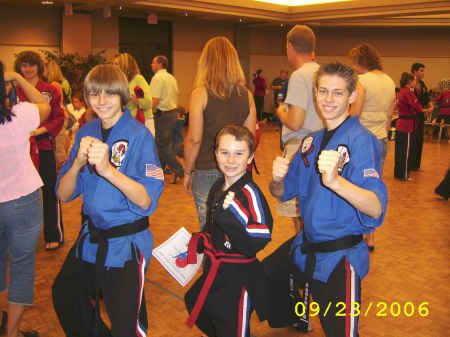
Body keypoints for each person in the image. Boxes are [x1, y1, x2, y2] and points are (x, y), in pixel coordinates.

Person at [269, 62, 388, 337]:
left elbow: (375, 207)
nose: (329, 99)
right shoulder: (310, 141)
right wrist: (276, 179)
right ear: (315, 93)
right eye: (323, 91)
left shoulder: (362, 141)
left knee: (341, 332)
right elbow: (282, 191)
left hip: (339, 256)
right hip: (307, 246)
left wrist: (336, 181)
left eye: (337, 93)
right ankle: (298, 316)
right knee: (264, 275)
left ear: (352, 96)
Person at [52, 64, 164, 337]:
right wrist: (77, 162)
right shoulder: (85, 132)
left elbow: (146, 200)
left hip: (125, 245)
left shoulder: (140, 137)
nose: (100, 101)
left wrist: (108, 171)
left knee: (126, 325)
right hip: (91, 239)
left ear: (122, 96)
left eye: (109, 94)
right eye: (93, 94)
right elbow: (63, 194)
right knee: (65, 295)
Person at [183, 124, 273, 337]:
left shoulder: (250, 194)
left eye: (239, 154)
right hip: (217, 268)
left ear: (250, 158)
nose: (231, 160)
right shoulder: (218, 187)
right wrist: (203, 238)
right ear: (215, 154)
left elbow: (258, 239)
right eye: (224, 152)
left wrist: (231, 217)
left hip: (239, 277)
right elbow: (214, 224)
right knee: (196, 301)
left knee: (232, 328)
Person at [183, 36, 256, 229]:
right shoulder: (246, 95)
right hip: (239, 170)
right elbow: (251, 138)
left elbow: (194, 140)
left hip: (207, 169)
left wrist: (188, 171)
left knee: (209, 227)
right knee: (238, 224)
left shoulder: (200, 94)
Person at [0, 62, 50, 337]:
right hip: (23, 200)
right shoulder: (19, 115)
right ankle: (12, 333)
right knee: (21, 265)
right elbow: (43, 104)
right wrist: (18, 77)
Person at [14, 51, 65, 251]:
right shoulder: (13, 90)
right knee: (20, 193)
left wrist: (39, 131)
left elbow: (59, 118)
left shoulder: (51, 89)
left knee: (50, 190)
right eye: (24, 65)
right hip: (19, 149)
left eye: (31, 65)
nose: (28, 69)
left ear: (39, 67)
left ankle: (53, 234)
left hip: (43, 145)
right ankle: (21, 235)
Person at [276, 25, 323, 234]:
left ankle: (302, 258)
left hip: (299, 149)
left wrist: (279, 111)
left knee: (299, 214)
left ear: (290, 46)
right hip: (320, 146)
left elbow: (295, 122)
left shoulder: (299, 76)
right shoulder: (323, 72)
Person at [348, 43, 395, 251]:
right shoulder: (389, 81)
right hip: (381, 139)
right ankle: (371, 236)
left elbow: (354, 114)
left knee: (355, 185)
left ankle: (355, 230)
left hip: (362, 140)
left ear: (360, 61)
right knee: (375, 187)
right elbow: (389, 115)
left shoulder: (361, 82)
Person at [150, 55, 184, 183]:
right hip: (173, 114)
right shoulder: (171, 78)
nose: (151, 65)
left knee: (162, 145)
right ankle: (158, 172)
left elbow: (155, 100)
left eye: (153, 63)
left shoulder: (157, 78)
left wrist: (150, 114)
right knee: (163, 145)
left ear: (159, 64)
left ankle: (179, 170)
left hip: (163, 115)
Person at [113, 53, 155, 136]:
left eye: (116, 64)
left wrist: (132, 99)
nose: (114, 66)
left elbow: (149, 102)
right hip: (125, 122)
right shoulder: (117, 81)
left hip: (143, 121)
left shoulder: (137, 79)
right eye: (113, 64)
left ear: (125, 65)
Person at [394, 72, 427, 181]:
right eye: (413, 80)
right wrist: (425, 110)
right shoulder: (407, 93)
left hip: (403, 124)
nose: (415, 82)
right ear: (409, 81)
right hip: (407, 125)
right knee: (406, 151)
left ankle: (398, 173)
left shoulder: (402, 91)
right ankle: (403, 175)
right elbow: (416, 107)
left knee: (400, 151)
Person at [411, 62, 433, 170]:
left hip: (420, 116)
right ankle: (409, 164)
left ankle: (416, 165)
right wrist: (424, 109)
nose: (423, 73)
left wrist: (431, 106)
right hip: (412, 117)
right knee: (413, 140)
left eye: (423, 70)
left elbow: (427, 98)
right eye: (421, 70)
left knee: (419, 139)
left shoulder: (423, 85)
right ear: (414, 71)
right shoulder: (410, 84)